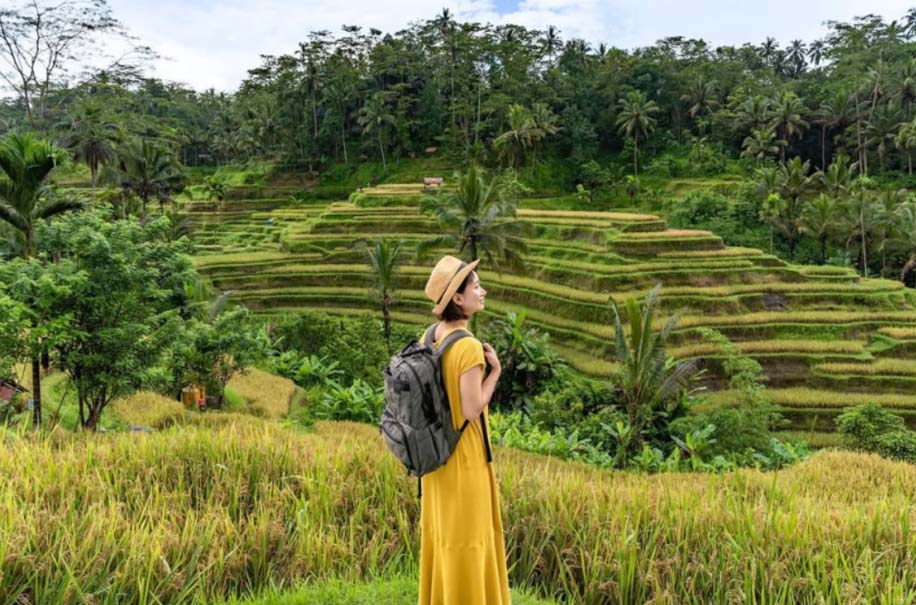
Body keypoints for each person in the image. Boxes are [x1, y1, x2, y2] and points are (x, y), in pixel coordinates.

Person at [418, 255, 511, 605]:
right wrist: (495, 373)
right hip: (464, 459)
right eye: (476, 286)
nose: (482, 291)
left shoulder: (430, 336)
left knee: (444, 539)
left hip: (435, 458)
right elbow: (472, 408)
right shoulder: (468, 346)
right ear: (457, 297)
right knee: (470, 541)